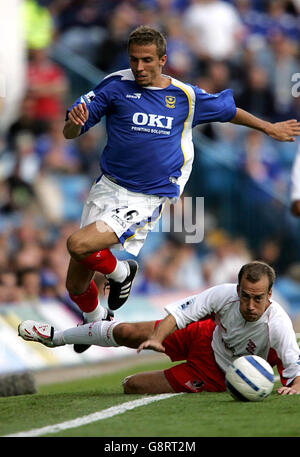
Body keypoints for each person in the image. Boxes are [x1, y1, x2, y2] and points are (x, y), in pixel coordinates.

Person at [62, 25, 300, 354]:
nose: (139, 68)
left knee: (78, 244)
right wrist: (74, 123)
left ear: (163, 60)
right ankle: (95, 318)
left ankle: (120, 272)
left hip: (147, 196)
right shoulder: (115, 86)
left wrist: (268, 127)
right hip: (107, 188)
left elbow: (229, 112)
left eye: (147, 60)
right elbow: (70, 132)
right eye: (134, 60)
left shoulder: (185, 97)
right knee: (75, 284)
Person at [18, 261, 300, 396]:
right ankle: (58, 337)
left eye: (258, 298)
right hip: (202, 336)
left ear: (270, 295)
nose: (251, 305)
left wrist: (294, 388)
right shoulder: (223, 294)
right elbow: (178, 314)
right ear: (238, 289)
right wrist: (157, 338)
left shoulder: (279, 326)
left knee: (133, 387)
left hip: (214, 375)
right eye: (246, 296)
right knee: (126, 332)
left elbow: (296, 378)